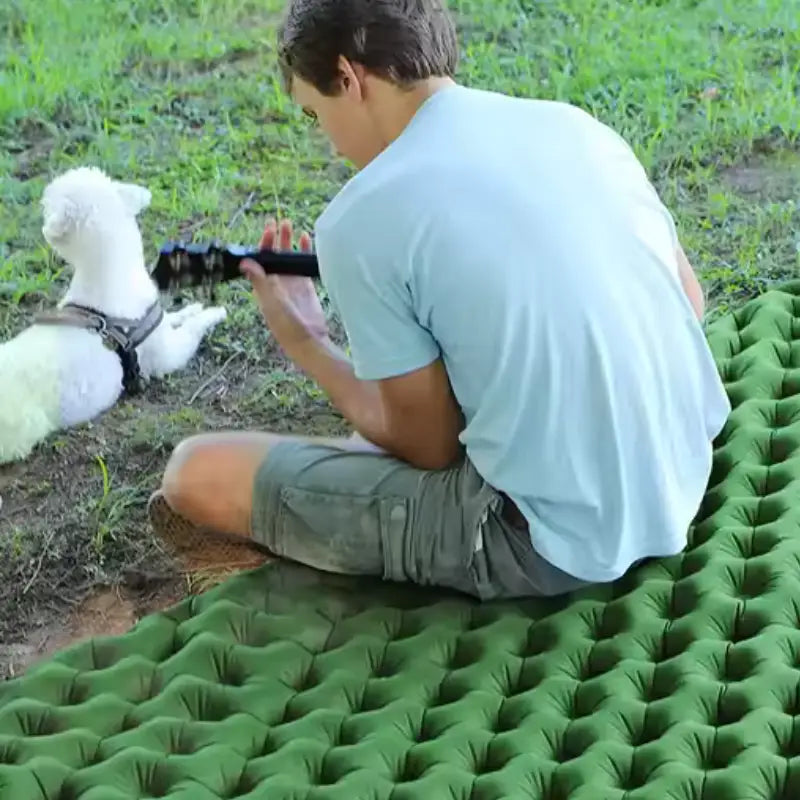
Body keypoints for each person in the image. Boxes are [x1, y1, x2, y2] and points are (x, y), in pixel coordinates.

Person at [147, 0, 731, 600]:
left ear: (349, 78)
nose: (328, 144)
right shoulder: (572, 124)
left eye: (314, 115)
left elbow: (429, 448)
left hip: (552, 542)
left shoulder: (362, 215)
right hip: (681, 468)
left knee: (197, 471)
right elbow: (689, 301)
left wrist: (307, 341)